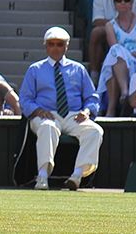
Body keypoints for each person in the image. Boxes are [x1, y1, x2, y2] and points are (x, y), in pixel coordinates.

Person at [18, 26, 103, 190]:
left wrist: (86, 111)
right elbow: (25, 99)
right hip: (45, 115)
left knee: (95, 131)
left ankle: (77, 175)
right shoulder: (35, 69)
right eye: (52, 44)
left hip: (73, 115)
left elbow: (92, 97)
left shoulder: (78, 69)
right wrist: (37, 111)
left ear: (66, 46)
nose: (55, 48)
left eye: (59, 44)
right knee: (48, 127)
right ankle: (42, 176)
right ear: (46, 46)